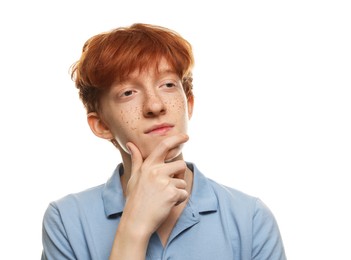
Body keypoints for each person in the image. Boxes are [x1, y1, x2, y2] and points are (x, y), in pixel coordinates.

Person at [41, 23, 286, 260]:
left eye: (168, 85)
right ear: (101, 125)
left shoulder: (250, 218)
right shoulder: (66, 220)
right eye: (128, 93)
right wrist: (134, 227)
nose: (155, 106)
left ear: (188, 104)